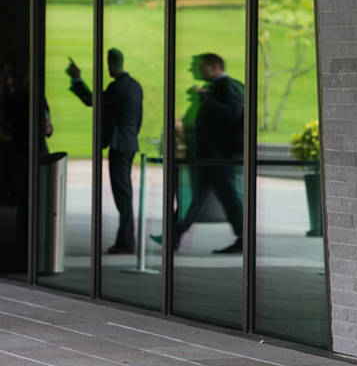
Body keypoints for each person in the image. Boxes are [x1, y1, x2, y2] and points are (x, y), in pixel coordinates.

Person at [152, 53, 244, 253]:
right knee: (199, 199)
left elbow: (234, 112)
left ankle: (243, 238)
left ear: (215, 67)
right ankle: (173, 236)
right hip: (212, 157)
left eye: (200, 67)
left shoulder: (225, 87)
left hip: (218, 157)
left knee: (225, 198)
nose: (195, 70)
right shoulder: (219, 87)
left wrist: (206, 98)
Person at [66, 48, 143, 254]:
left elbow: (91, 100)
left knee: (122, 195)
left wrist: (76, 78)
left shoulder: (117, 88)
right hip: (129, 143)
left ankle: (126, 241)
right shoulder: (135, 86)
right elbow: (138, 119)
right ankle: (126, 239)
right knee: (124, 193)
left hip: (119, 145)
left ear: (111, 64)